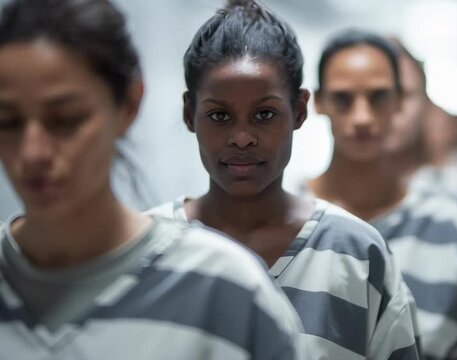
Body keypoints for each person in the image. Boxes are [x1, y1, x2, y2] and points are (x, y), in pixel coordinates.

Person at [0, 1, 306, 359]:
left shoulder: (225, 289)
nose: (33, 152)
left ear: (129, 104)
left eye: (66, 119)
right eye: (8, 121)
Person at [147, 2, 419, 359]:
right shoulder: (145, 250)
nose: (242, 137)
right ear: (189, 113)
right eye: (219, 115)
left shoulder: (357, 253)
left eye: (264, 114)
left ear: (300, 110)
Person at [306, 29, 457, 360]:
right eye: (346, 96)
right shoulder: (284, 217)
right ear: (318, 102)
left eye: (382, 95)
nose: (364, 115)